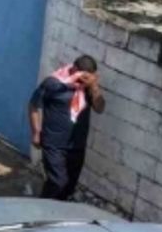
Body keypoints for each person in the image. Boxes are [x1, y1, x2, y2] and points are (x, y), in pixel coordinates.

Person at [29, 55, 105, 201]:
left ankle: (56, 214)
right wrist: (36, 132)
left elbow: (100, 108)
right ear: (75, 70)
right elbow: (33, 105)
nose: (84, 81)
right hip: (54, 144)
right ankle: (39, 210)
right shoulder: (53, 84)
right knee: (57, 182)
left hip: (77, 145)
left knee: (69, 186)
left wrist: (94, 87)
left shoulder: (88, 87)